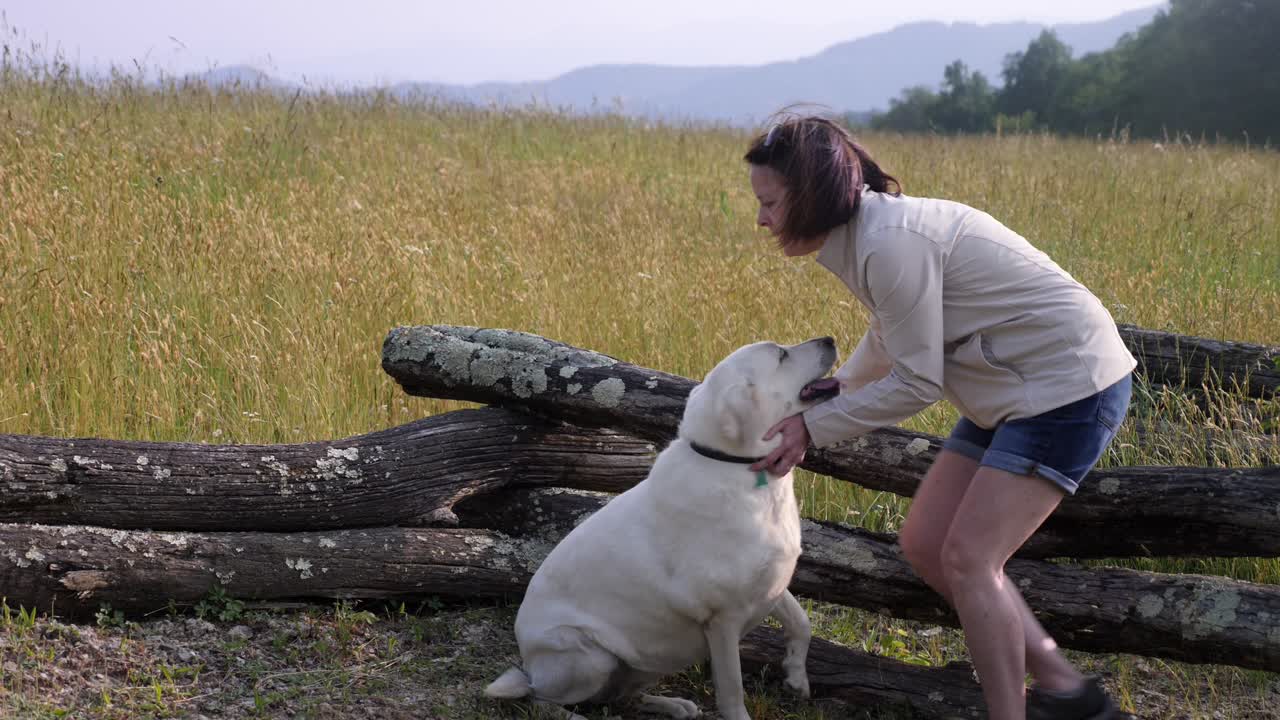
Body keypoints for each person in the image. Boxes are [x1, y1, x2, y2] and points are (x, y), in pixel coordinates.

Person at [742, 114, 1134, 720]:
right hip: (1008, 385)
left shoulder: (890, 242)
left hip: (1067, 385)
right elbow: (892, 327)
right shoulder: (869, 235)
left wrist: (811, 428)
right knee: (926, 543)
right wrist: (844, 381)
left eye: (769, 202)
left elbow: (919, 382)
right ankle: (1068, 692)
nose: (762, 219)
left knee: (970, 559)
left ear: (810, 191)